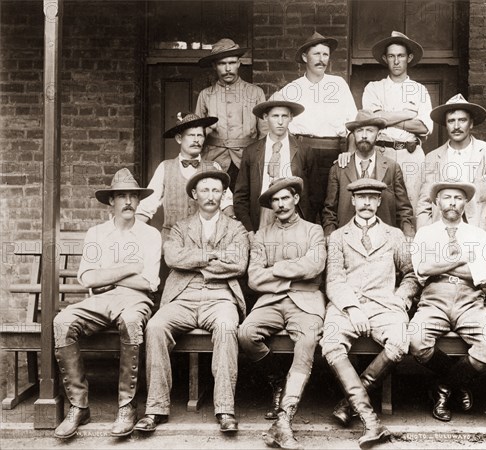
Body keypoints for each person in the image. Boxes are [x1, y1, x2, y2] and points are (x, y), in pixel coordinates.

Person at [134, 165, 249, 434]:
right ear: (194, 194)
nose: (211, 195)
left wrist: (194, 258)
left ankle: (225, 409)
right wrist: (211, 256)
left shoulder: (236, 228)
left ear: (223, 195)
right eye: (205, 190)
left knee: (226, 327)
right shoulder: (179, 227)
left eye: (216, 190)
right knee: (155, 326)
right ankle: (155, 408)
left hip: (221, 296)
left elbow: (239, 263)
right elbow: (173, 257)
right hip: (182, 296)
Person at [52, 168, 160, 439]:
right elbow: (88, 278)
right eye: (121, 196)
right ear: (111, 202)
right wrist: (127, 268)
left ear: (138, 201)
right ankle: (78, 405)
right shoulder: (96, 233)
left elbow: (148, 282)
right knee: (62, 321)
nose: (127, 202)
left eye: (132, 196)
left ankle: (126, 406)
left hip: (136, 300)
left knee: (132, 321)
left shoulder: (150, 235)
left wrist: (109, 277)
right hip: (100, 300)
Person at [320, 178, 419, 448]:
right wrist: (352, 308)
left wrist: (400, 299)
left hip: (384, 305)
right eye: (360, 197)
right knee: (330, 341)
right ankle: (370, 420)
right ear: (352, 201)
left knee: (400, 340)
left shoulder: (394, 235)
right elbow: (334, 280)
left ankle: (348, 404)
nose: (366, 203)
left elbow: (410, 275)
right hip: (346, 305)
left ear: (379, 202)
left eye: (371, 198)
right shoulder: (339, 236)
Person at [238, 177, 326, 449]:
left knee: (307, 340)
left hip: (307, 302)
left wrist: (275, 268)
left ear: (296, 199)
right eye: (274, 200)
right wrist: (292, 273)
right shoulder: (261, 235)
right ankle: (277, 380)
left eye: (285, 198)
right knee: (245, 334)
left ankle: (285, 415)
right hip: (271, 301)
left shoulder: (314, 230)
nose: (280, 204)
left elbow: (315, 267)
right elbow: (254, 278)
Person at [409, 181, 486, 422]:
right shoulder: (425, 233)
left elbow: (480, 274)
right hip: (434, 299)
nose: (451, 202)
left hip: (469, 301)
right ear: (437, 202)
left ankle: (443, 387)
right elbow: (423, 269)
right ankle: (459, 384)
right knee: (416, 340)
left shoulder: (477, 235)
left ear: (465, 202)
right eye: (446, 197)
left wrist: (440, 265)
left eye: (457, 198)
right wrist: (461, 259)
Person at [270, 31, 358, 219]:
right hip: (302, 152)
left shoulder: (339, 85)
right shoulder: (292, 89)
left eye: (325, 54)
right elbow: (270, 117)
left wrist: (349, 153)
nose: (322, 59)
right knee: (304, 203)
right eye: (316, 54)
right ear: (305, 57)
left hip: (333, 153)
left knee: (332, 203)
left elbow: (353, 126)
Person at [417, 93, 486, 243]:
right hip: (442, 234)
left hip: (478, 232)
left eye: (462, 120)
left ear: (471, 124)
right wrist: (425, 235)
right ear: (446, 124)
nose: (457, 126)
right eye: (451, 121)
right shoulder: (433, 157)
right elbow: (424, 203)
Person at [361, 31, 433, 212]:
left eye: (400, 56)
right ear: (385, 58)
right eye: (391, 56)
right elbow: (372, 120)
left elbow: (422, 126)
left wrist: (387, 119)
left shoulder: (419, 90)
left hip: (410, 154)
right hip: (381, 151)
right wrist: (408, 113)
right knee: (380, 203)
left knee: (414, 205)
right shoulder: (374, 88)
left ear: (409, 57)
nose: (396, 61)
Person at [136, 112, 234, 241]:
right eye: (191, 135)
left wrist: (232, 229)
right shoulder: (165, 168)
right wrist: (131, 233)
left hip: (204, 241)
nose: (196, 140)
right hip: (171, 241)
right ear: (179, 138)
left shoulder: (214, 167)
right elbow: (146, 207)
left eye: (200, 135)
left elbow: (226, 204)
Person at [322, 109, 414, 238]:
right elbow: (329, 211)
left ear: (378, 134)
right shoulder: (339, 168)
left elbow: (404, 210)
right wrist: (330, 239)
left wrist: (408, 236)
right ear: (354, 134)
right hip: (347, 241)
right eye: (359, 131)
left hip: (384, 242)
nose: (364, 136)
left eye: (369, 131)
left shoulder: (392, 167)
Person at [234, 100, 318, 235]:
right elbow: (241, 196)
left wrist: (308, 222)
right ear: (266, 117)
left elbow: (315, 195)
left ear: (291, 117)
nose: (280, 122)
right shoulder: (252, 152)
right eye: (275, 116)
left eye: (284, 116)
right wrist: (249, 228)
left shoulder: (304, 150)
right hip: (262, 214)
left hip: (294, 213)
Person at [195, 38, 267, 189]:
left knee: (244, 205)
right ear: (214, 66)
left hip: (247, 161)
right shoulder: (205, 95)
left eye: (232, 63)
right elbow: (196, 134)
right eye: (222, 64)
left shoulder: (255, 93)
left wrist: (258, 161)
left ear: (239, 63)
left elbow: (264, 133)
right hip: (213, 160)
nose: (228, 68)